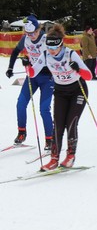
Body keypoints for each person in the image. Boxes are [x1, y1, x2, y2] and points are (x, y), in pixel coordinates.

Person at [24, 24, 92, 170]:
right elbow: (32, 73)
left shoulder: (70, 54)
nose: (52, 51)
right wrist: (27, 65)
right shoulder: (45, 55)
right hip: (61, 91)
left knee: (71, 122)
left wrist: (77, 69)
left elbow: (89, 76)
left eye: (54, 48)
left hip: (77, 91)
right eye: (49, 48)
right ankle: (54, 159)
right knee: (58, 125)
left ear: (61, 45)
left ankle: (70, 155)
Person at [5, 14, 54, 150]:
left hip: (47, 77)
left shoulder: (46, 39)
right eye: (28, 33)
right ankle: (22, 132)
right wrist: (10, 67)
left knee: (44, 109)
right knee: (20, 104)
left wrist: (30, 63)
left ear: (39, 30)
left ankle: (50, 139)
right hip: (32, 77)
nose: (30, 36)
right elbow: (15, 51)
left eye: (33, 33)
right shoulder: (26, 39)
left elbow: (45, 58)